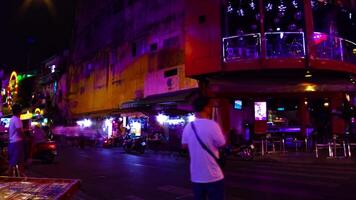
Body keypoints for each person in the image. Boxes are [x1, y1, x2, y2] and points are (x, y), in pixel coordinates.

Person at [181, 95, 226, 200]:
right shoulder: (213, 125)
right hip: (213, 176)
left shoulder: (189, 126)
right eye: (209, 106)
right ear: (205, 107)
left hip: (196, 176)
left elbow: (184, 145)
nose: (210, 109)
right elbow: (222, 143)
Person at [7, 104, 25, 177]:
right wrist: (25, 138)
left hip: (12, 143)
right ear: (19, 111)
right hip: (17, 143)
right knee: (15, 162)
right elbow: (19, 131)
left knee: (16, 161)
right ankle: (10, 178)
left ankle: (20, 176)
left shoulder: (12, 119)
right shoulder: (17, 120)